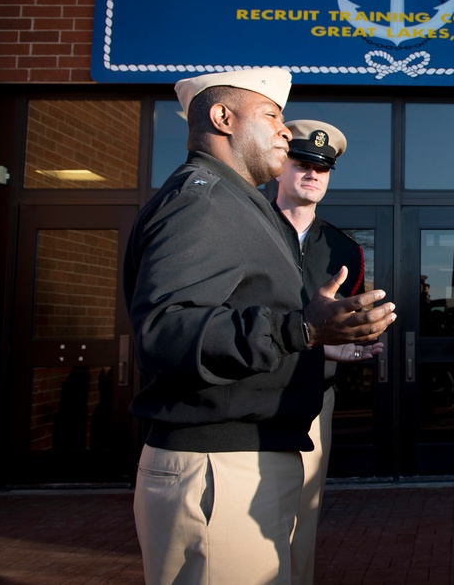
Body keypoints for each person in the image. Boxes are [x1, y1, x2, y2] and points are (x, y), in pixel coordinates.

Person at [124, 68, 396, 585]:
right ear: (223, 118)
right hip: (218, 467)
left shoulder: (236, 204)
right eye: (272, 116)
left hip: (247, 455)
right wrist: (303, 330)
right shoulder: (203, 201)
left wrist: (317, 332)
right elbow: (166, 332)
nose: (284, 132)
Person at [273, 119, 365, 585]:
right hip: (248, 391)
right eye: (302, 163)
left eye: (322, 168)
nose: (312, 174)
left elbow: (347, 325)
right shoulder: (247, 226)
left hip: (313, 396)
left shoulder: (343, 247)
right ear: (279, 166)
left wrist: (353, 341)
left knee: (301, 515)